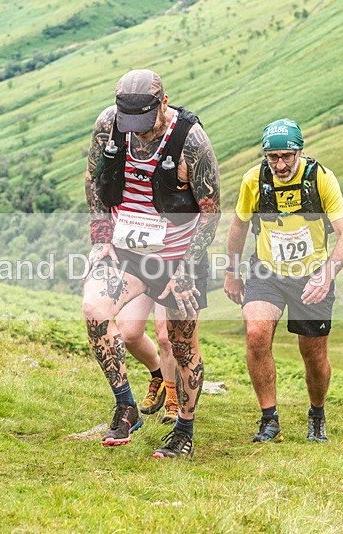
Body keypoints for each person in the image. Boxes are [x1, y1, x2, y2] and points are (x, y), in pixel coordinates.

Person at [83, 69, 220, 458]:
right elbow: (93, 180)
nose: (139, 134)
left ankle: (184, 432)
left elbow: (211, 212)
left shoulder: (191, 140)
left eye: (145, 125)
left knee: (181, 344)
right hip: (125, 250)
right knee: (94, 310)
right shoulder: (109, 126)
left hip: (177, 256)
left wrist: (185, 267)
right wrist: (100, 239)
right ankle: (126, 404)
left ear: (163, 103)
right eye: (132, 126)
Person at [224, 118, 343, 444]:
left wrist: (326, 275)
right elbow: (238, 227)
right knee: (256, 333)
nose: (280, 165)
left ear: (300, 152)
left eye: (287, 156)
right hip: (267, 271)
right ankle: (270, 419)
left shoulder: (321, 179)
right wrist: (231, 272)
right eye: (273, 157)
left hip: (312, 276)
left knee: (313, 356)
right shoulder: (254, 180)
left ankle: (317, 412)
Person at [116, 295, 179, 424]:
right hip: (142, 275)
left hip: (170, 277)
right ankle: (159, 375)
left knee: (165, 337)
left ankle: (173, 398)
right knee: (128, 334)